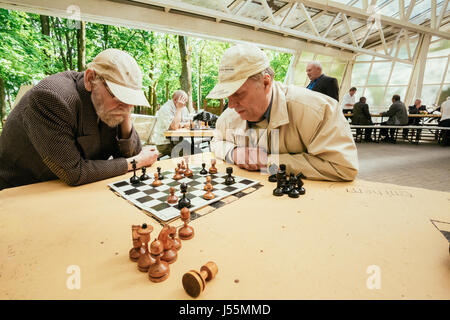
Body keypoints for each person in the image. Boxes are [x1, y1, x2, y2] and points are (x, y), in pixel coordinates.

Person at [0, 49, 159, 190]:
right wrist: (136, 162)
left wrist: (125, 113)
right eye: (118, 95)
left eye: (131, 99)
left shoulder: (109, 103)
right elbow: (74, 172)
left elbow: (132, 153)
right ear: (90, 79)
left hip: (66, 189)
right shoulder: (51, 98)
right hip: (20, 190)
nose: (125, 106)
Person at [207, 44, 358, 182]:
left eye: (239, 94)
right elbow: (216, 141)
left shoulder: (318, 110)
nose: (231, 105)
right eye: (228, 95)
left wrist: (271, 161)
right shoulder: (229, 115)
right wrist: (233, 152)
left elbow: (344, 167)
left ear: (266, 83)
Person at [150, 90, 200, 158]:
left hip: (178, 141)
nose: (185, 104)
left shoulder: (183, 107)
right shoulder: (166, 108)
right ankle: (179, 167)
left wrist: (182, 124)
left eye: (185, 101)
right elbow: (174, 127)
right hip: (165, 143)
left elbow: (190, 122)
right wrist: (179, 109)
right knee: (193, 154)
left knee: (198, 152)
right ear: (175, 100)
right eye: (183, 100)